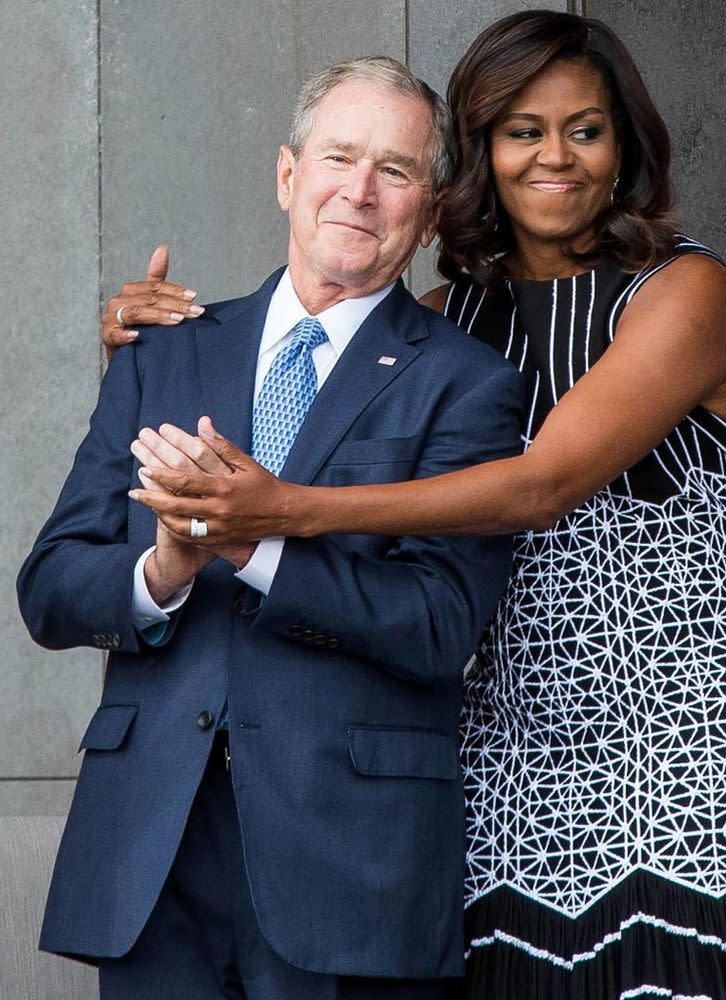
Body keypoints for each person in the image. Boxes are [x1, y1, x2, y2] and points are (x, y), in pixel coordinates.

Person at [105, 11, 726, 1000]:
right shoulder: (437, 321)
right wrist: (144, 361)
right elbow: (279, 416)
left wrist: (282, 510)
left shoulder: (684, 291)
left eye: (585, 130)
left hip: (689, 741)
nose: (555, 156)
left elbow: (541, 484)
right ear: (478, 154)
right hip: (504, 743)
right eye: (522, 131)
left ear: (624, 148)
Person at [17, 57, 527, 1000]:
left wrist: (253, 546)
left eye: (396, 170)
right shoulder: (162, 351)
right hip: (150, 854)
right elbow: (49, 588)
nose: (360, 191)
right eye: (338, 157)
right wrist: (164, 568)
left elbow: (438, 625)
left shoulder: (468, 384)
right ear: (288, 176)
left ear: (428, 208)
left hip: (347, 861)